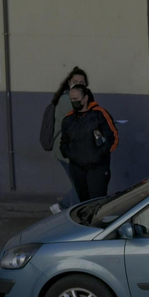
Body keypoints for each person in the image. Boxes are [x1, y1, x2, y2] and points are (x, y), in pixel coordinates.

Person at [57, 85, 119, 206]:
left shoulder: (99, 114)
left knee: (97, 203)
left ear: (85, 98)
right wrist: (69, 154)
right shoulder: (68, 119)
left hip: (97, 168)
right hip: (77, 168)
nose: (73, 102)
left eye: (76, 99)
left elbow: (113, 138)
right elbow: (64, 142)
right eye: (71, 99)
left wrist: (99, 155)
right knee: (84, 204)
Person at [41, 67, 89, 213]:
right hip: (66, 150)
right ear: (69, 83)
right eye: (75, 82)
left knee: (82, 184)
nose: (78, 84)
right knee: (82, 184)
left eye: (81, 82)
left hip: (76, 149)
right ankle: (64, 209)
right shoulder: (65, 99)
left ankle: (64, 208)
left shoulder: (83, 98)